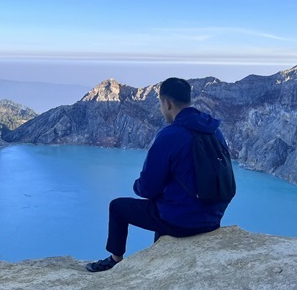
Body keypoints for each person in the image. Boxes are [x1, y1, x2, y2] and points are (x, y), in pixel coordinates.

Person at [86, 77, 232, 272]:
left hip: (183, 222)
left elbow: (147, 188)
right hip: (213, 218)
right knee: (167, 205)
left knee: (118, 207)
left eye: (161, 104)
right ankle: (162, 262)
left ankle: (115, 259)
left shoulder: (170, 135)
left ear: (167, 103)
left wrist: (137, 185)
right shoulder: (214, 130)